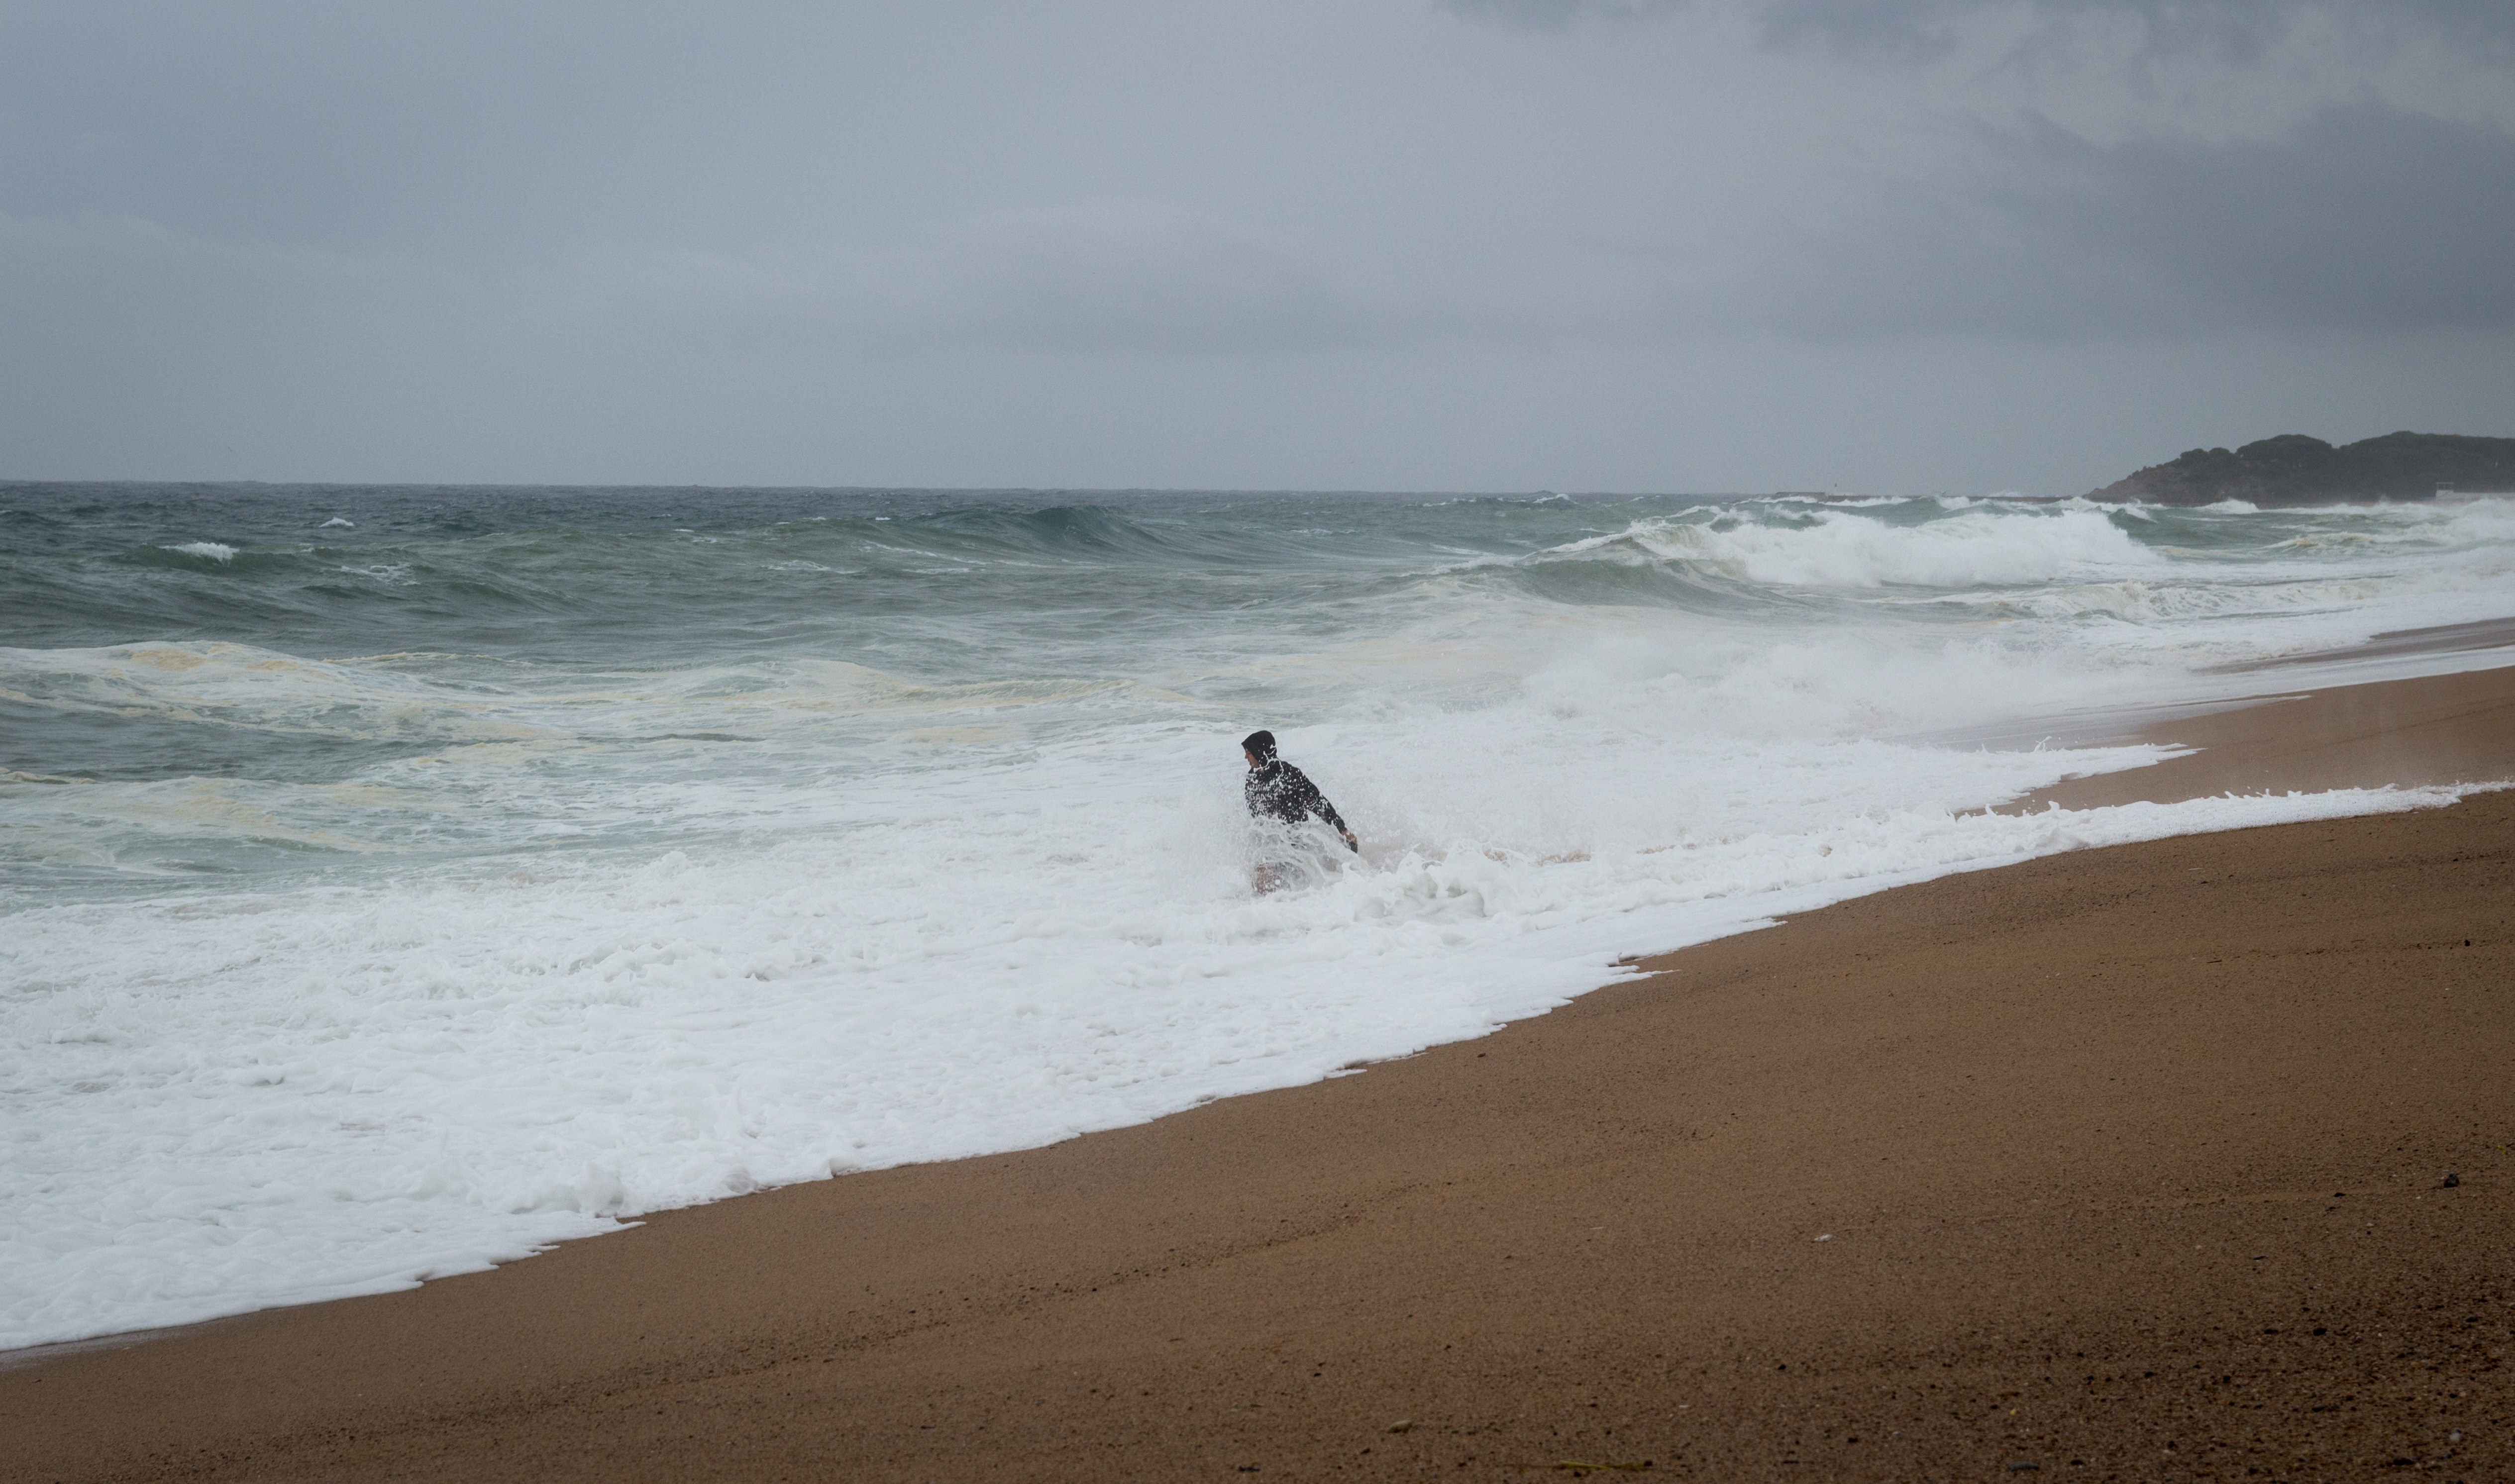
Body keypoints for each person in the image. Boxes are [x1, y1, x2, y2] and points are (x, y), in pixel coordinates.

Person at [1242, 730, 1357, 892]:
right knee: (1258, 882)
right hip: (1272, 843)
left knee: (1280, 882)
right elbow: (1255, 816)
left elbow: (1317, 802)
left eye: (1249, 753)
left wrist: (1342, 829)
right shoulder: (1252, 780)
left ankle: (1296, 901)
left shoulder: (1289, 774)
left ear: (1259, 752)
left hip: (1298, 842)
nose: (1246, 757)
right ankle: (1278, 905)